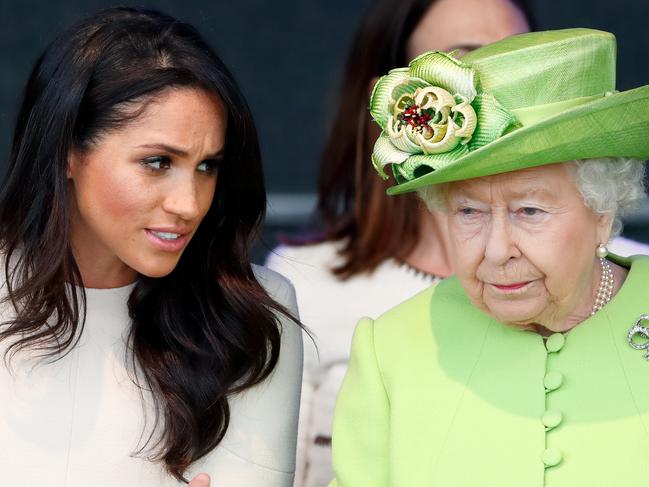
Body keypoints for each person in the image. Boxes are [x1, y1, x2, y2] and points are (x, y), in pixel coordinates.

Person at [329, 28, 649, 486]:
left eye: (530, 211)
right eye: (469, 211)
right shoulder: (391, 348)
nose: (497, 250)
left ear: (603, 210)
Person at [0, 7, 302, 487]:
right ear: (67, 153)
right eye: (158, 162)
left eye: (207, 166)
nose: (189, 204)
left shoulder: (250, 316)